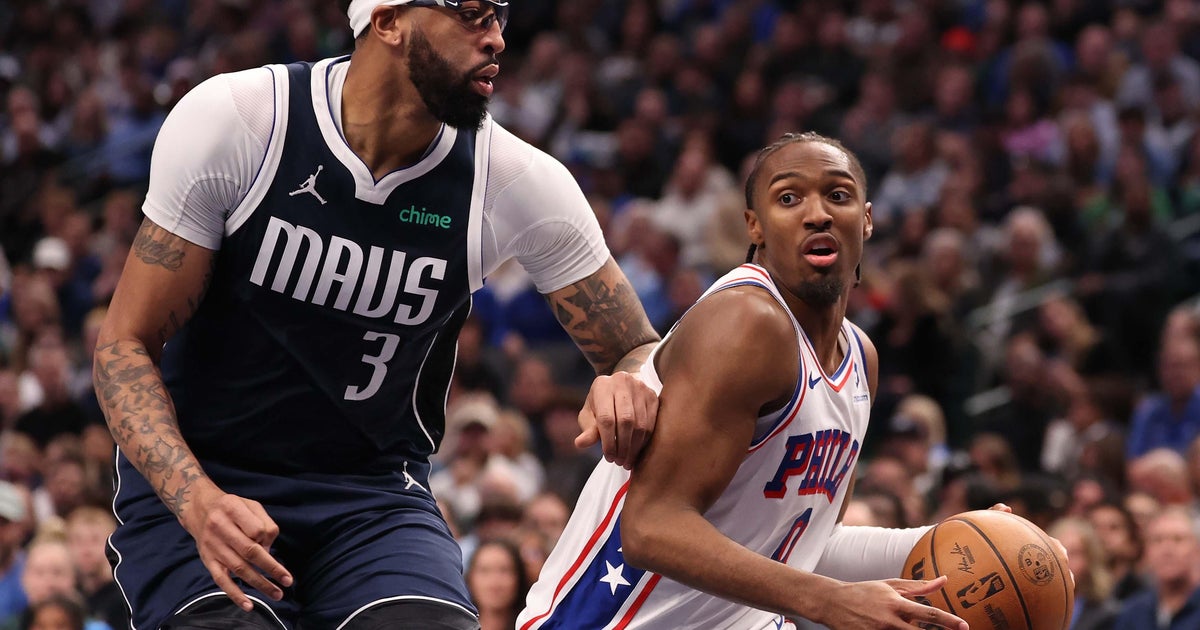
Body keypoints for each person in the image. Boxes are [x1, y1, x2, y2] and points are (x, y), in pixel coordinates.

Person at [91, 1, 660, 628]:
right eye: (471, 13)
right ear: (387, 22)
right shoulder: (241, 119)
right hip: (206, 478)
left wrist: (631, 383)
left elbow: (637, 348)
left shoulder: (513, 179)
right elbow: (124, 344)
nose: (496, 38)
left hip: (371, 497)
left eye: (500, 15)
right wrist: (196, 501)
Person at [520, 133, 969, 629]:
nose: (817, 213)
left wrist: (951, 540)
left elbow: (807, 547)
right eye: (788, 198)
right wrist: (824, 600)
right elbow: (650, 527)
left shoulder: (862, 357)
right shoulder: (746, 320)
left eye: (837, 195)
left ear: (866, 219)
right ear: (754, 225)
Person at [1113, 506, 1200, 629]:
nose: (1166, 550)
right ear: (1146, 552)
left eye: (1178, 539)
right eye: (1157, 540)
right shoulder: (1133, 612)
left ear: (1197, 549)